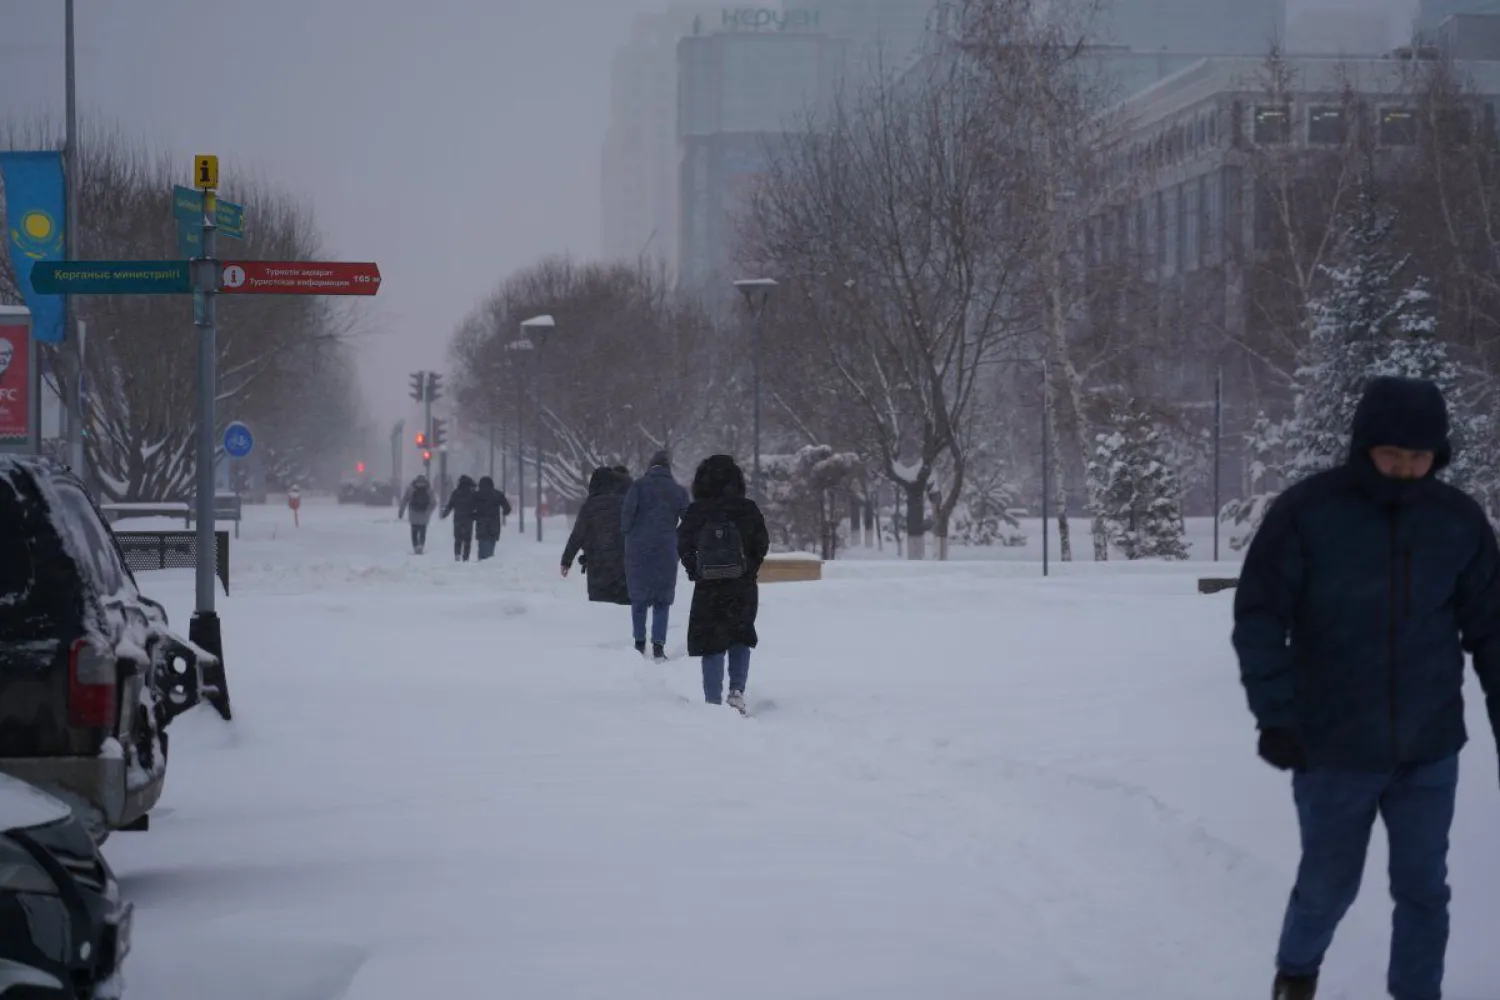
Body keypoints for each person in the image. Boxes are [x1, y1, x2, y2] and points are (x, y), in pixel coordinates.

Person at [1232, 375, 1500, 1000]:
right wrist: (1275, 715)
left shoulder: (1457, 522)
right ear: (1364, 447)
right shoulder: (1307, 512)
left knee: (1424, 890)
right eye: (1393, 456)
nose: (1406, 469)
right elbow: (1261, 617)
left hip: (1429, 748)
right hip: (1332, 747)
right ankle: (1296, 974)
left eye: (1420, 457)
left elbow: (1492, 631)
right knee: (1328, 884)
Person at [677, 454, 770, 711]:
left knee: (711, 639)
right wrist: (749, 568)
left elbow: (682, 542)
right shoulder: (748, 508)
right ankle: (736, 691)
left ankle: (712, 700)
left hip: (708, 587)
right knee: (740, 634)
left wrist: (695, 569)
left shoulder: (697, 511)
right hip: (743, 585)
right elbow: (762, 542)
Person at [621, 450, 690, 660]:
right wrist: (674, 537)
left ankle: (639, 644)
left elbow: (626, 516)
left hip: (638, 548)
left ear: (650, 467)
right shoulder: (679, 491)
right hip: (666, 549)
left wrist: (629, 533)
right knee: (662, 599)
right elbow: (689, 520)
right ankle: (659, 646)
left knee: (639, 598)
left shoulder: (638, 486)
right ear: (668, 469)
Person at [561, 466, 631, 607]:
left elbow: (577, 535)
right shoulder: (627, 503)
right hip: (625, 569)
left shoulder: (590, 505)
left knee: (600, 610)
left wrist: (566, 560)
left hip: (598, 569)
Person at [471, 476, 513, 561]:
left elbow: (470, 508)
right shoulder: (497, 494)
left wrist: (474, 516)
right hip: (494, 524)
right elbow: (507, 509)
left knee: (482, 544)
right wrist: (504, 512)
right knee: (491, 544)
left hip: (481, 524)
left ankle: (482, 561)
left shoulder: (477, 495)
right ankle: (488, 562)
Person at [441, 474, 478, 562]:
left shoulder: (456, 492)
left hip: (458, 518)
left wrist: (445, 514)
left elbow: (450, 505)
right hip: (469, 518)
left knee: (458, 538)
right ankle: (466, 557)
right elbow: (476, 505)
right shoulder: (472, 493)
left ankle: (457, 555)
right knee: (467, 540)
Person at [398, 474, 435, 554]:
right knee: (423, 531)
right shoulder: (429, 489)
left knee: (414, 531)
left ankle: (415, 546)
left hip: (413, 513)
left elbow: (405, 500)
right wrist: (428, 510)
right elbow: (433, 502)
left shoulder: (411, 488)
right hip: (424, 514)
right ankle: (421, 545)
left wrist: (401, 511)